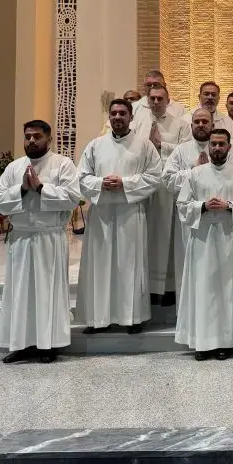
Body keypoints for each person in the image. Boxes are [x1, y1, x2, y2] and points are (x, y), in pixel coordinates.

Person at [0, 120, 81, 364]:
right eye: (28, 136)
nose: (31, 140)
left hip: (49, 237)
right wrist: (20, 189)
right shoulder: (14, 167)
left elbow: (73, 197)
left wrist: (41, 188)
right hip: (21, 238)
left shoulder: (63, 164)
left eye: (37, 136)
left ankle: (48, 345)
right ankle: (20, 344)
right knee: (20, 292)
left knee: (47, 292)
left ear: (48, 139)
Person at [76, 98, 162, 334]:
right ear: (109, 117)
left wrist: (125, 183)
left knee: (129, 265)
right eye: (113, 113)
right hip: (102, 213)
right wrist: (100, 183)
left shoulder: (144, 146)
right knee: (99, 265)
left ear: (131, 117)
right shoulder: (95, 145)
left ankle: (132, 317)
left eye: (122, 113)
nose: (117, 117)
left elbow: (155, 177)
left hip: (130, 213)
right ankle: (97, 319)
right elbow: (81, 177)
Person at [175, 128, 233, 360]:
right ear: (208, 146)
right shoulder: (195, 173)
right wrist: (203, 206)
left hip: (228, 237)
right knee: (203, 288)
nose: (217, 148)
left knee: (226, 290)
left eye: (221, 144)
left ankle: (224, 343)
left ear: (229, 147)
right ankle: (202, 342)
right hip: (202, 238)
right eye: (213, 144)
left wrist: (229, 206)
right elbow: (182, 205)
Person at [162, 108, 233, 296]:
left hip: (226, 225)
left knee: (224, 278)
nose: (201, 125)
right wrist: (194, 171)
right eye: (197, 122)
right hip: (193, 223)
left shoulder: (230, 153)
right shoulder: (181, 150)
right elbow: (168, 180)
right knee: (193, 271)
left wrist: (227, 204)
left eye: (205, 122)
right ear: (191, 125)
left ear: (212, 124)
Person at [134, 83, 191, 303]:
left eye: (160, 98)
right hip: (142, 186)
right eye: (153, 98)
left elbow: (186, 151)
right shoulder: (137, 123)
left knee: (167, 236)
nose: (156, 102)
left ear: (168, 100)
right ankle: (144, 288)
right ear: (147, 100)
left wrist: (162, 145)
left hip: (167, 189)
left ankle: (167, 288)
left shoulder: (181, 125)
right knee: (144, 235)